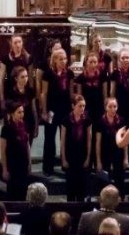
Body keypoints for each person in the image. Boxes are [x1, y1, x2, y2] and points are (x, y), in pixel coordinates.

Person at [41, 48, 74, 176]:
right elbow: (44, 93)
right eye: (60, 59)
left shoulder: (69, 73)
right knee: (49, 138)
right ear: (54, 60)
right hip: (51, 110)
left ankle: (65, 164)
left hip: (65, 110)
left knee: (66, 138)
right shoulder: (48, 74)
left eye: (65, 59)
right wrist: (44, 111)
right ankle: (48, 167)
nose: (63, 61)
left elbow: (71, 93)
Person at [60, 95, 92, 201]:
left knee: (81, 186)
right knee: (70, 186)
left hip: (82, 155)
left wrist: (88, 158)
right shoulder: (66, 120)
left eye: (84, 106)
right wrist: (63, 159)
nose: (82, 108)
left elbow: (89, 140)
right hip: (70, 155)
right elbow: (63, 141)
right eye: (79, 106)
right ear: (73, 106)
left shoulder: (87, 120)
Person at [95, 98, 129, 194]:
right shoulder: (101, 122)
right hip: (105, 153)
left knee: (120, 179)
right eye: (110, 106)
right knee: (104, 180)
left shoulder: (121, 120)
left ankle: (120, 199)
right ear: (105, 107)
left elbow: (125, 139)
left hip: (118, 153)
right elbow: (98, 142)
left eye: (115, 106)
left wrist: (126, 158)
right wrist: (98, 161)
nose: (113, 109)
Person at [0, 101, 31, 201]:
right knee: (13, 193)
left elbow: (27, 145)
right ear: (12, 113)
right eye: (19, 112)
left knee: (23, 192)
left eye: (22, 112)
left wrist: (29, 163)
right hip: (12, 165)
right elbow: (3, 150)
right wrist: (4, 169)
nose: (22, 114)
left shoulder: (24, 126)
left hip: (23, 164)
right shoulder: (6, 128)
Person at [0, 34, 33, 109]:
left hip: (24, 91)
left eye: (19, 42)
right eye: (15, 42)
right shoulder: (6, 58)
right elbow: (1, 80)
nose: (18, 45)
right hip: (11, 90)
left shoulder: (28, 58)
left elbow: (30, 78)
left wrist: (31, 95)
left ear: (22, 43)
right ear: (11, 44)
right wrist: (2, 99)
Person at [7, 66, 38, 145]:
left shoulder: (30, 91)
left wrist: (36, 125)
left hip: (29, 122)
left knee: (27, 147)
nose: (25, 79)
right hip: (16, 125)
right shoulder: (10, 93)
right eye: (22, 77)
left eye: (26, 76)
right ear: (16, 78)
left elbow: (34, 109)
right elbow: (9, 113)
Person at [75, 52, 109, 122]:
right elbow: (79, 96)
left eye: (95, 62)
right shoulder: (80, 78)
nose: (93, 64)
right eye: (90, 62)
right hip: (86, 108)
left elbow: (105, 94)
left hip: (99, 107)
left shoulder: (103, 76)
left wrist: (106, 108)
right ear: (86, 62)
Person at [36, 39, 63, 106]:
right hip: (47, 97)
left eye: (60, 49)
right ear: (50, 50)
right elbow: (38, 82)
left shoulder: (63, 63)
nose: (58, 51)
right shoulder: (43, 64)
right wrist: (39, 100)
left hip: (59, 98)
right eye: (56, 49)